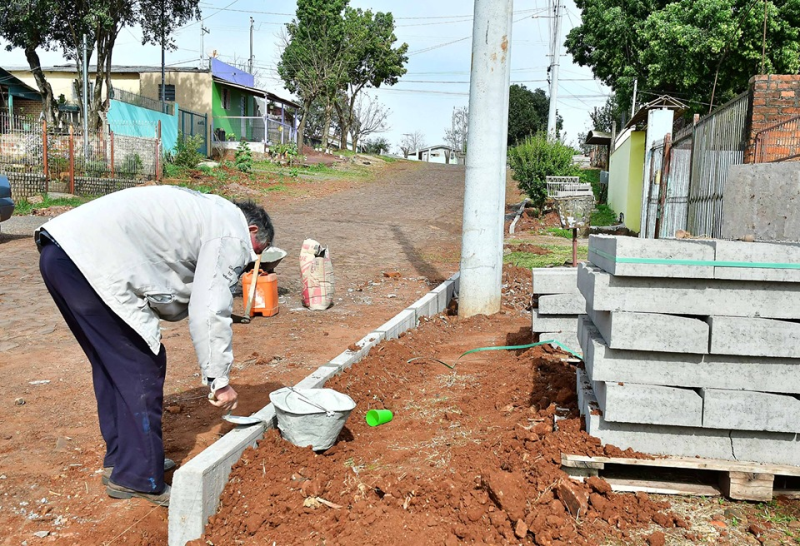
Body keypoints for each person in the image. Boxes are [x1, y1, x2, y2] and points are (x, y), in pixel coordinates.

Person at [36, 186, 274, 507]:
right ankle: (138, 478)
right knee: (141, 365)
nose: (252, 261)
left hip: (62, 254)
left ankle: (123, 461)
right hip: (89, 262)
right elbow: (209, 308)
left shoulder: (210, 211)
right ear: (252, 230)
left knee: (112, 365)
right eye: (257, 250)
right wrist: (219, 379)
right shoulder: (231, 233)